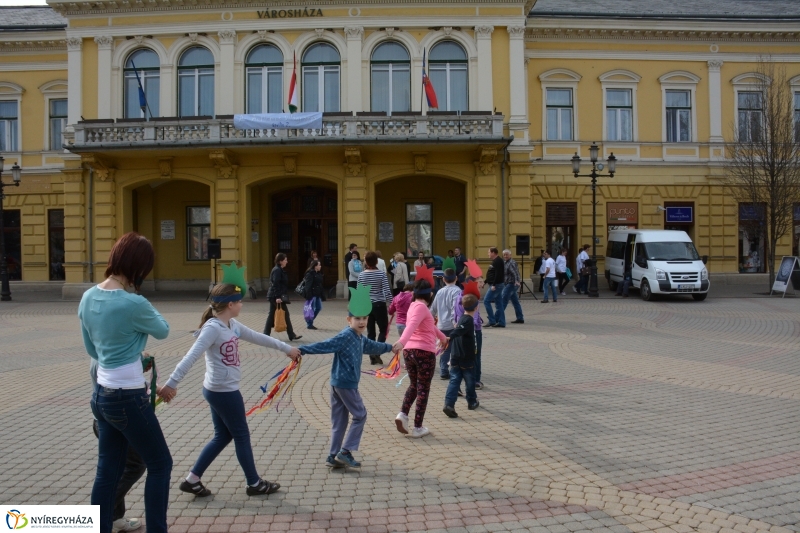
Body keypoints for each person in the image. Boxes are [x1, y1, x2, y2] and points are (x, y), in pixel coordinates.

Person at [160, 282, 301, 497]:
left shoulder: (231, 324)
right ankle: (254, 483)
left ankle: (192, 480)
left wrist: (287, 348)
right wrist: (171, 384)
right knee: (241, 435)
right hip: (223, 392)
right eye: (239, 301)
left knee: (223, 436)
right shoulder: (213, 328)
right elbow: (191, 356)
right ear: (230, 305)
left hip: (220, 390)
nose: (242, 304)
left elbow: (258, 337)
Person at [79, 232, 172, 533]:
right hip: (128, 397)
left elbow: (92, 350)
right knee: (160, 464)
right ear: (138, 267)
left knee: (107, 472)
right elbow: (163, 330)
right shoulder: (134, 303)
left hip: (101, 396)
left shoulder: (87, 297)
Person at [298, 285, 396, 468]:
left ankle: (332, 456)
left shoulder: (359, 337)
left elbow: (373, 346)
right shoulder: (346, 336)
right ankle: (345, 452)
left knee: (340, 421)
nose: (361, 322)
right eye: (357, 318)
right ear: (348, 319)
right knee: (360, 415)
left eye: (364, 318)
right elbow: (324, 345)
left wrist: (390, 347)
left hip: (339, 383)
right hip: (345, 384)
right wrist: (302, 349)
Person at [90, 360, 146, 533]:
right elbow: (117, 384)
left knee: (116, 469)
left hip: (106, 416)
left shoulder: (101, 352)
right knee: (136, 465)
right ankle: (106, 514)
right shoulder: (109, 355)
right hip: (118, 418)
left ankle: (114, 518)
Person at [393, 279, 448, 438]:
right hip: (423, 352)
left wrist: (443, 338)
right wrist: (401, 342)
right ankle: (418, 427)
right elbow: (411, 326)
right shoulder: (422, 307)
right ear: (430, 295)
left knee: (414, 385)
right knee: (423, 388)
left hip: (410, 352)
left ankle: (403, 414)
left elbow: (430, 327)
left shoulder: (413, 306)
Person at [443, 293, 479, 418]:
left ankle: (449, 404)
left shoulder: (462, 318)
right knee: (470, 380)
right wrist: (450, 337)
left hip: (455, 355)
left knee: (454, 380)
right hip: (466, 357)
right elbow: (459, 331)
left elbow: (459, 330)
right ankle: (472, 401)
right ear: (476, 307)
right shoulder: (468, 320)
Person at [357, 251, 393, 362]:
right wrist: (392, 304)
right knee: (383, 329)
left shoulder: (361, 275)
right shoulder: (381, 274)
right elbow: (387, 290)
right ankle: (377, 351)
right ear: (377, 261)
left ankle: (372, 354)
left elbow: (359, 292)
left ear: (366, 262)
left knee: (370, 331)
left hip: (366, 305)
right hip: (379, 304)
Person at [430, 268, 463, 379]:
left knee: (444, 348)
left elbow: (433, 309)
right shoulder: (457, 291)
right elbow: (455, 308)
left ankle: (444, 369)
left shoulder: (440, 291)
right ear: (456, 278)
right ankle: (448, 370)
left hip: (441, 325)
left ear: (443, 279)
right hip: (452, 325)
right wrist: (456, 322)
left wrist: (429, 320)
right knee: (454, 348)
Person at [264, 253, 302, 341]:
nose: (287, 262)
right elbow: (275, 284)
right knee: (285, 314)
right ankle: (291, 334)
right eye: (285, 260)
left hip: (274, 295)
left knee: (271, 315)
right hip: (275, 296)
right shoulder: (277, 270)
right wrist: (277, 297)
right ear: (280, 261)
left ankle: (265, 334)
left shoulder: (279, 269)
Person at [455, 280, 484, 389]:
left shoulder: (460, 297)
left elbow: (455, 314)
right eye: (479, 282)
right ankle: (475, 381)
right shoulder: (472, 299)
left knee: (461, 356)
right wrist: (475, 325)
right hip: (474, 331)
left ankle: (457, 384)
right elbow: (474, 317)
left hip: (460, 329)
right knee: (475, 356)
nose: (482, 284)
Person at [483, 247, 506, 328]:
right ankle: (501, 322)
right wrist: (485, 282)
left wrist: (493, 285)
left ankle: (492, 320)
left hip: (496, 285)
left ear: (493, 253)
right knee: (499, 304)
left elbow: (498, 274)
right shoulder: (495, 261)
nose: (488, 254)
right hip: (496, 284)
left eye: (489, 252)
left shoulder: (498, 261)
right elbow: (492, 273)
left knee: (486, 301)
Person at [500, 250, 524, 325]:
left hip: (512, 284)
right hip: (508, 283)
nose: (505, 256)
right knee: (515, 301)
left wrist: (517, 281)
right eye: (504, 255)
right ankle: (520, 318)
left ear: (510, 255)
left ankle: (498, 318)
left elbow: (515, 273)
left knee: (503, 300)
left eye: (507, 254)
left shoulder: (511, 262)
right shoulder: (505, 262)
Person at [303, 260, 324, 329]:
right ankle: (309, 324)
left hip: (318, 293)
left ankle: (309, 319)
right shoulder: (310, 274)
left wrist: (322, 294)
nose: (320, 266)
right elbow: (308, 285)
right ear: (315, 266)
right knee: (311, 309)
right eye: (319, 265)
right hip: (312, 294)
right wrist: (308, 295)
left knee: (318, 308)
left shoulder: (318, 273)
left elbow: (320, 284)